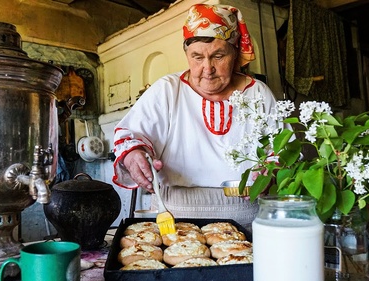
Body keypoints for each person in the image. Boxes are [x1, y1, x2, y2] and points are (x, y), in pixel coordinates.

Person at [111, 4, 280, 231]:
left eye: (218, 56)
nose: (207, 68)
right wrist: (134, 155)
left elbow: (281, 149)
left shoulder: (257, 93)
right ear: (187, 55)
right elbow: (130, 135)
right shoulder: (168, 90)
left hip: (247, 217)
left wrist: (272, 167)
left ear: (235, 53)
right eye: (197, 57)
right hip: (174, 215)